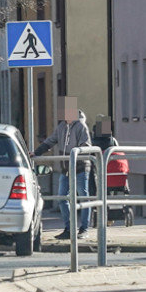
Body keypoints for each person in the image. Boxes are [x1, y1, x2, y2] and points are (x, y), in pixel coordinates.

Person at [34, 99, 92, 239]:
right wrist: (36, 152)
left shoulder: (81, 126)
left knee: (83, 198)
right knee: (62, 198)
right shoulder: (62, 127)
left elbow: (87, 145)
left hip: (80, 167)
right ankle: (69, 228)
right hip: (65, 168)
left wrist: (77, 152)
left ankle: (84, 229)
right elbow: (50, 141)